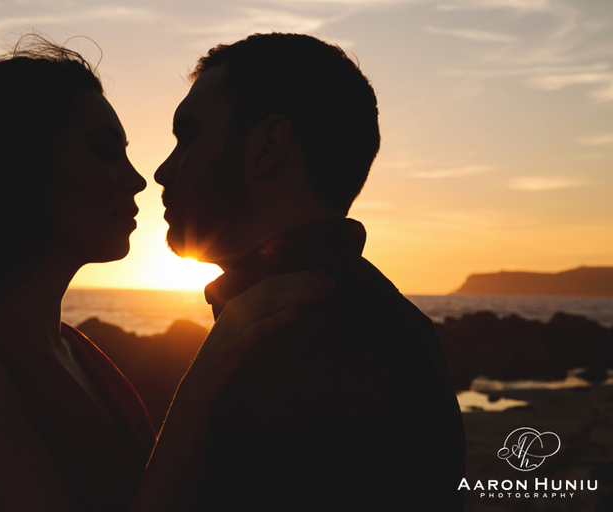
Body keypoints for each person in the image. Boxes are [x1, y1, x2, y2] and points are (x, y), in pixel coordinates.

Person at [0, 37, 334, 512]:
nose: (139, 178)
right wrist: (202, 383)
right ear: (16, 171)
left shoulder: (74, 350)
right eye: (104, 151)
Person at [154, 32, 466, 511]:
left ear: (267, 146)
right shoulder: (365, 315)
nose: (162, 170)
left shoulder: (307, 336)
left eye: (188, 137)